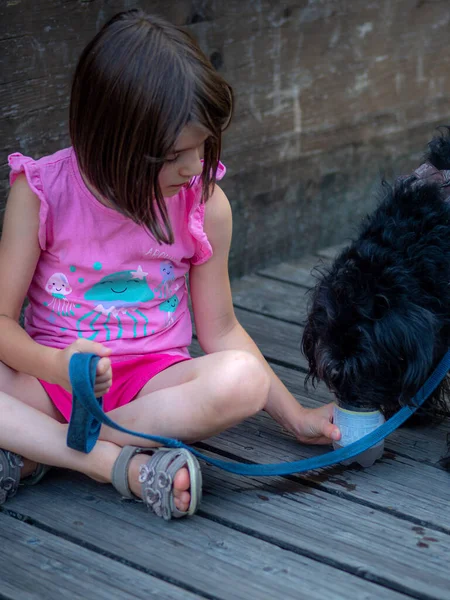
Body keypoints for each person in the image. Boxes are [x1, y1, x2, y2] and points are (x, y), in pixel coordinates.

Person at [0, 10, 341, 520]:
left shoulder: (205, 205)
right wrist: (56, 366)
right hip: (52, 380)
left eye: (204, 145)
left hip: (153, 386)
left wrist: (295, 417)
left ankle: (40, 449)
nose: (195, 166)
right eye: (176, 152)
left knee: (242, 380)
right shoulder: (42, 193)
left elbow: (221, 329)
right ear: (112, 141)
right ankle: (116, 464)